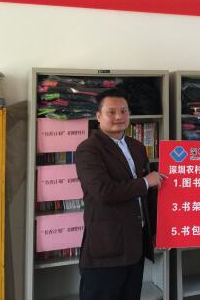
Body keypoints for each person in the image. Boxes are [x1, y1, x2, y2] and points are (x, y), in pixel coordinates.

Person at [76, 88, 167, 300]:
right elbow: (103, 192)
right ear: (98, 116)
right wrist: (145, 182)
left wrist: (159, 231)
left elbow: (148, 196)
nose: (119, 117)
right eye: (111, 112)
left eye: (124, 111)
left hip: (136, 245)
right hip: (106, 247)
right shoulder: (88, 149)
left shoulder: (137, 147)